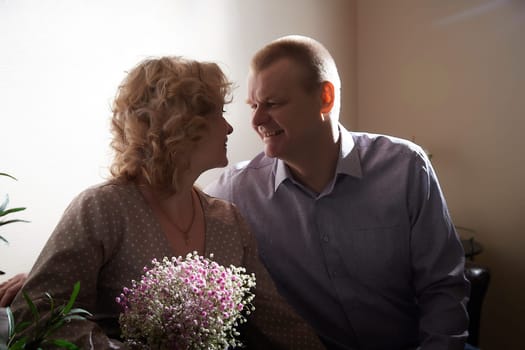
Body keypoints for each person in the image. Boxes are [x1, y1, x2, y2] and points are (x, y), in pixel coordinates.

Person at [6, 56, 324, 349]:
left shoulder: (227, 219)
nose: (229, 127)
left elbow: (274, 319)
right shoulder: (102, 209)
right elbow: (36, 317)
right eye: (218, 112)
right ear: (179, 122)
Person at [204, 35, 470, 349]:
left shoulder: (405, 168)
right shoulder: (235, 191)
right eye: (254, 105)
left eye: (272, 104)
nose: (257, 120)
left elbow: (443, 288)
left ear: (325, 98)